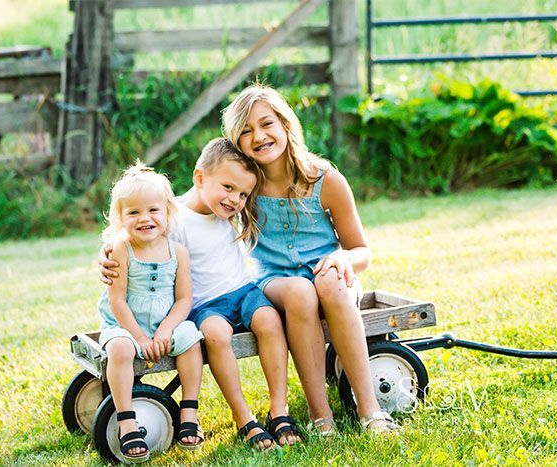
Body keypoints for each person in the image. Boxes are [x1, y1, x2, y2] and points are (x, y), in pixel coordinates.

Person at [100, 138, 303, 450]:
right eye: (228, 188)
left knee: (269, 321)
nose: (235, 199)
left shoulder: (228, 211)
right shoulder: (172, 217)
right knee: (216, 335)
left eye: (243, 194)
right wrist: (106, 254)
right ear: (200, 178)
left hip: (243, 291)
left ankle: (279, 411)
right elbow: (138, 239)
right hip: (205, 305)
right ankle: (244, 418)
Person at [221, 83, 399, 434]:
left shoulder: (325, 179)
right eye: (245, 131)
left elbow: (361, 250)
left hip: (330, 277)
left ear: (286, 124)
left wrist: (344, 260)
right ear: (237, 143)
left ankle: (370, 410)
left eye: (266, 123)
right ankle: (322, 416)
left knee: (328, 282)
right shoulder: (244, 185)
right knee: (301, 291)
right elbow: (195, 202)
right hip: (275, 280)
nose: (258, 135)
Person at [97, 163, 205, 463]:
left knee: (191, 339)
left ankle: (189, 411)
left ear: (168, 212)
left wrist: (165, 330)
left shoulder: (177, 252)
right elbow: (117, 302)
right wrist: (140, 337)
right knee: (119, 348)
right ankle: (126, 419)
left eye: (153, 210)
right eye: (133, 213)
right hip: (125, 325)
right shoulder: (121, 249)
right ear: (120, 218)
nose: (145, 218)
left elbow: (184, 300)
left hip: (164, 324)